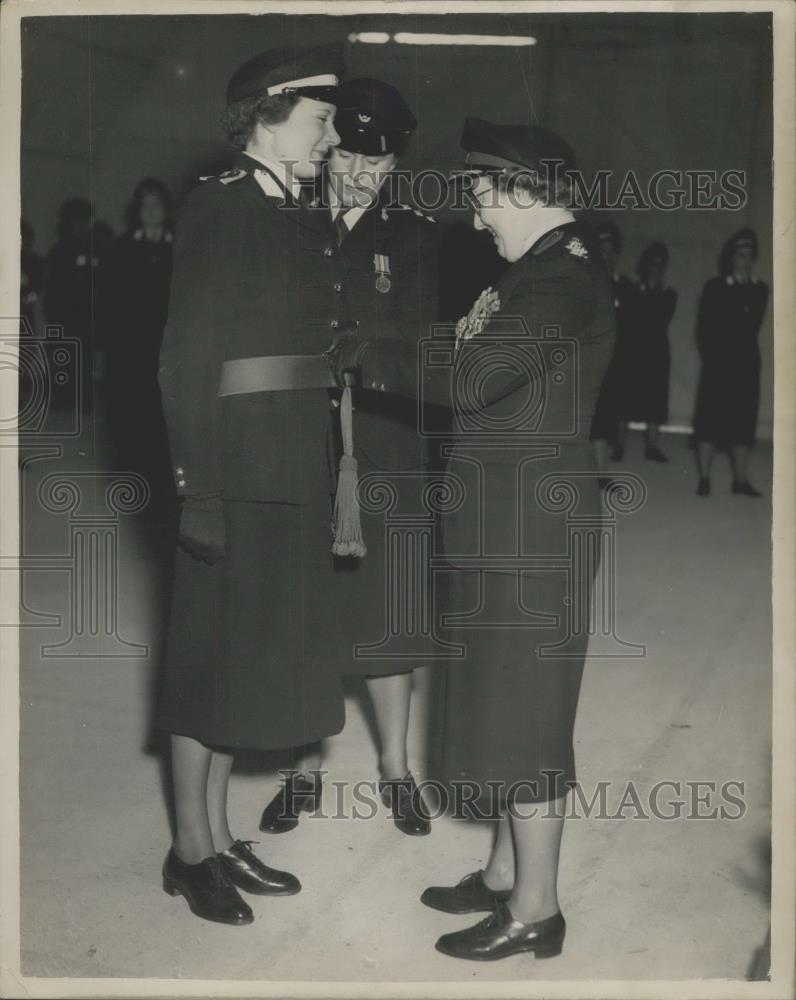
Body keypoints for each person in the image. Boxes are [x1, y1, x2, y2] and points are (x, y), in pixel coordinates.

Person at [327, 118, 614, 960]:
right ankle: (501, 875)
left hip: (533, 534)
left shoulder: (559, 281)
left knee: (528, 722)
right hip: (502, 524)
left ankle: (537, 908)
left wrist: (368, 352)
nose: (478, 215)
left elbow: (477, 375)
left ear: (526, 190)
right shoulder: (533, 273)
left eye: (485, 196)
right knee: (501, 710)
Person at [156, 44, 349, 926]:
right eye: (320, 119)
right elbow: (185, 357)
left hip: (289, 468)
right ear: (268, 116)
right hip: (235, 472)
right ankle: (190, 850)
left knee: (243, 662)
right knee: (206, 666)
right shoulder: (220, 207)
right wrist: (198, 484)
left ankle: (222, 837)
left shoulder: (294, 212)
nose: (333, 136)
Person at [258, 77, 441, 838]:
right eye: (348, 157)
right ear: (329, 150)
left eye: (378, 161)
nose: (359, 173)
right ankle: (303, 770)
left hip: (386, 444)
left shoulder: (418, 235)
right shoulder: (287, 222)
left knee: (387, 611)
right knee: (307, 611)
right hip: (303, 441)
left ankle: (396, 768)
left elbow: (428, 345)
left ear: (395, 162)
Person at [104, 178, 174, 486]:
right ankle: (131, 469)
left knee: (164, 408)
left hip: (169, 344)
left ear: (166, 209)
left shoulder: (179, 249)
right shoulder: (122, 248)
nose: (150, 211)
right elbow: (110, 301)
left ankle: (161, 470)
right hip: (130, 346)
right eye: (144, 205)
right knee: (131, 405)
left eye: (156, 203)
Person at [692, 228, 769, 497]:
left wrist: (742, 286)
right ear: (731, 258)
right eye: (740, 255)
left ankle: (740, 479)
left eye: (750, 256)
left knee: (743, 422)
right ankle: (704, 477)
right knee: (708, 420)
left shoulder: (760, 289)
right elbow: (704, 329)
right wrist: (712, 358)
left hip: (746, 364)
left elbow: (750, 323)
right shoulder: (714, 286)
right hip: (717, 364)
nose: (745, 261)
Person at [619, 241, 677, 462]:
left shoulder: (669, 294)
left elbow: (660, 319)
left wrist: (653, 289)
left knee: (656, 400)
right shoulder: (631, 290)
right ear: (645, 266)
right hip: (632, 350)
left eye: (661, 265)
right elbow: (629, 319)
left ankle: (652, 446)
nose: (656, 269)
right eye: (652, 264)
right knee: (624, 400)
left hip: (656, 351)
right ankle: (620, 444)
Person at [587, 222, 635, 477]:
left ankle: (602, 472)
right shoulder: (587, 285)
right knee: (592, 417)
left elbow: (633, 330)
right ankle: (597, 472)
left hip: (618, 362)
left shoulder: (626, 287)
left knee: (608, 416)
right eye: (602, 251)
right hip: (591, 360)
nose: (607, 256)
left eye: (611, 251)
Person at [43, 198, 100, 412]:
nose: (81, 223)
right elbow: (52, 288)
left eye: (85, 218)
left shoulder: (93, 247)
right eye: (77, 218)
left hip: (85, 316)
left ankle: (83, 401)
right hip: (63, 316)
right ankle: (61, 400)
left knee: (84, 359)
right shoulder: (59, 250)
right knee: (62, 358)